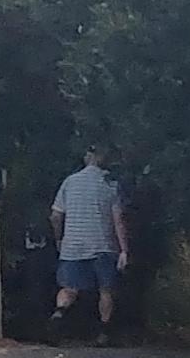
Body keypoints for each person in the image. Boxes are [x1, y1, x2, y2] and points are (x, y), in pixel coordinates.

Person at [50, 147, 131, 343]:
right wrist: (124, 250)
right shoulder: (110, 183)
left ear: (87, 158)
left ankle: (60, 312)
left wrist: (59, 239)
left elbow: (55, 216)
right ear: (104, 158)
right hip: (103, 245)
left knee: (69, 287)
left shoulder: (70, 182)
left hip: (73, 245)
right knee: (106, 290)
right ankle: (103, 332)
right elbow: (118, 219)